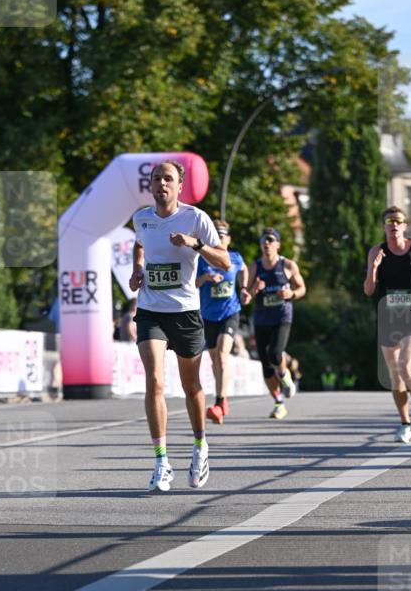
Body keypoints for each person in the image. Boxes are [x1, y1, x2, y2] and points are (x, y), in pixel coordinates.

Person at [129, 160, 229, 492]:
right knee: (155, 379)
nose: (161, 184)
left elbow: (225, 260)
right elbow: (139, 244)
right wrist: (138, 269)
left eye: (168, 179)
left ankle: (200, 446)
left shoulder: (196, 218)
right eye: (156, 179)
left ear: (179, 186)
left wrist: (195, 244)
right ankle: (161, 461)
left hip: (185, 312)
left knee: (191, 387)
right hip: (150, 310)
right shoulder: (142, 218)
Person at [364, 206, 411, 443]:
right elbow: (368, 290)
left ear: (404, 226)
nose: (394, 225)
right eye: (389, 222)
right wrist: (373, 269)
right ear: (384, 227)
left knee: (405, 366)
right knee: (395, 376)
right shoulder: (377, 251)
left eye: (398, 221)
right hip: (387, 316)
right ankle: (405, 424)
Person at [240, 228, 306, 419]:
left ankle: (285, 375)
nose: (266, 243)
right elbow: (246, 299)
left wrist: (291, 294)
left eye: (270, 240)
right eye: (263, 240)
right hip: (261, 319)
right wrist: (254, 289)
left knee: (275, 353)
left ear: (278, 244)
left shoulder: (287, 265)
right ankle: (279, 403)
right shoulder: (255, 267)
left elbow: (302, 288)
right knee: (266, 367)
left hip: (282, 317)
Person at [195, 219, 248, 424]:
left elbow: (243, 270)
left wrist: (244, 288)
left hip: (230, 312)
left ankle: (219, 403)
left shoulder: (234, 257)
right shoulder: (202, 259)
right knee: (215, 359)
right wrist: (206, 279)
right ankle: (222, 398)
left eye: (223, 235)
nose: (220, 238)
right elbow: (194, 283)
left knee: (223, 356)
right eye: (217, 235)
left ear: (229, 238)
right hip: (208, 315)